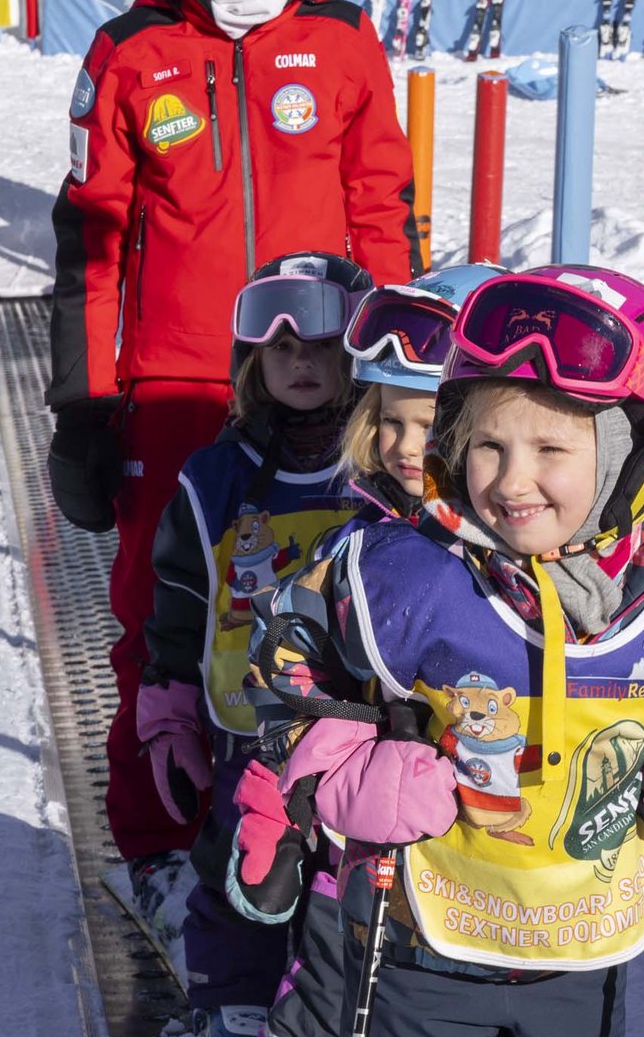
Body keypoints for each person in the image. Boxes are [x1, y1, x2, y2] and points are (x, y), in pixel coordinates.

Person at [44, 0, 417, 923]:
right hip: (180, 387)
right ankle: (160, 848)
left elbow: (385, 214)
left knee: (340, 606)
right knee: (159, 618)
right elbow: (88, 241)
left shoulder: (345, 42)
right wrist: (83, 405)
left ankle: (324, 827)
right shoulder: (129, 51)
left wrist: (404, 378)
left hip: (325, 384)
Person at [270, 265, 644, 1037]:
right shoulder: (407, 572)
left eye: (550, 448)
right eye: (487, 444)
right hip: (416, 947)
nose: (512, 480)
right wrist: (344, 768)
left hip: (580, 954)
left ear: (632, 455)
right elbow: (287, 652)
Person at [226, 263, 504, 1037]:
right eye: (389, 420)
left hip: (498, 878)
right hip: (357, 858)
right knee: (328, 1004)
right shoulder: (356, 549)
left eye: (431, 425)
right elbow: (287, 667)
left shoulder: (536, 557)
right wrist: (276, 793)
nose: (406, 447)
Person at [137, 252, 373, 1037]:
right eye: (280, 348)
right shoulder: (215, 478)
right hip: (249, 729)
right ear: (251, 361)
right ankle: (230, 1005)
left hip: (355, 736)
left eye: (320, 344)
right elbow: (177, 602)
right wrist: (169, 712)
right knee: (239, 868)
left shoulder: (380, 473)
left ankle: (323, 1013)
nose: (300, 362)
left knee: (339, 885)